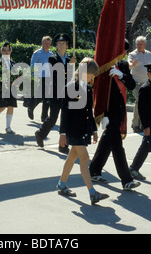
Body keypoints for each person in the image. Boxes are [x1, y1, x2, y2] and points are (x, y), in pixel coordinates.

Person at [89, 40, 140, 190]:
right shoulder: (104, 65)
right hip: (108, 112)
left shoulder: (123, 65)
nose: (124, 54)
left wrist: (122, 75)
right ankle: (126, 180)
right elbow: (99, 91)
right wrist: (101, 113)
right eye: (122, 51)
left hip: (119, 111)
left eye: (125, 51)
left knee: (107, 141)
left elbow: (131, 85)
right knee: (117, 145)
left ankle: (94, 170)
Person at [57, 58, 109, 205]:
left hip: (83, 130)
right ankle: (92, 193)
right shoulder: (70, 88)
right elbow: (65, 113)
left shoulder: (87, 88)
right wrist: (62, 134)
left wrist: (93, 129)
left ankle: (61, 184)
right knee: (84, 159)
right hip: (73, 131)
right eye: (91, 75)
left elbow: (89, 112)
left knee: (72, 158)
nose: (93, 78)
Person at [34, 33, 76, 154]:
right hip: (55, 92)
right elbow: (57, 74)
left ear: (67, 46)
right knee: (53, 117)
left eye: (64, 44)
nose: (61, 45)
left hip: (67, 93)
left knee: (66, 118)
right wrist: (70, 65)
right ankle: (41, 134)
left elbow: (71, 77)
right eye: (59, 44)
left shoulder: (69, 60)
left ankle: (63, 145)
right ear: (56, 46)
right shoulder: (52, 59)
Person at [128, 36, 151, 132]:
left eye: (140, 44)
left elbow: (150, 68)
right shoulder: (132, 54)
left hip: (147, 83)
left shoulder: (149, 54)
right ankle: (135, 125)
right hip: (136, 82)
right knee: (140, 102)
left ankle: (143, 124)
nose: (138, 46)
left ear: (145, 45)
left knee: (145, 103)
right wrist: (132, 65)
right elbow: (129, 64)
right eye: (137, 44)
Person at [28, 35, 54, 122]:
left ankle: (44, 117)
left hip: (48, 78)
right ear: (42, 43)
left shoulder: (51, 54)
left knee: (47, 98)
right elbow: (33, 65)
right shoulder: (37, 53)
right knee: (38, 96)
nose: (47, 45)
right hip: (39, 77)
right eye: (45, 43)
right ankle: (31, 107)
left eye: (48, 43)